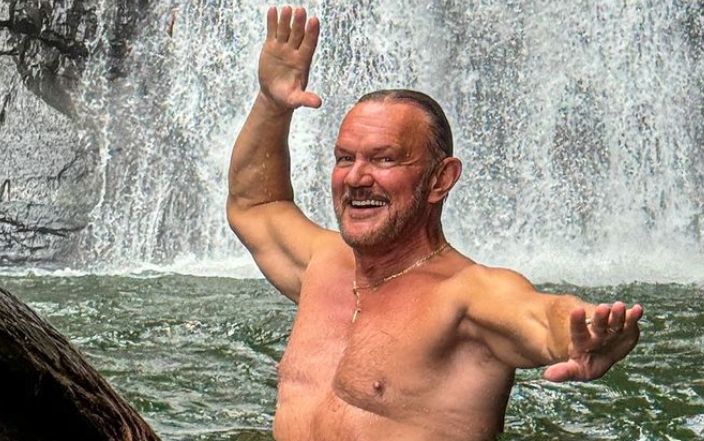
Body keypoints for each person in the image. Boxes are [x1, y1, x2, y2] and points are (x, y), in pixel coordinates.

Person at [227, 6, 644, 441]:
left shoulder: (467, 297)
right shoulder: (322, 264)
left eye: (384, 159)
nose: (356, 178)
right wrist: (272, 104)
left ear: (440, 180)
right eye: (345, 159)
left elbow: (540, 315)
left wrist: (583, 333)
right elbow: (255, 204)